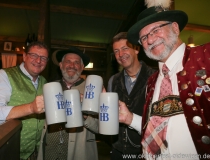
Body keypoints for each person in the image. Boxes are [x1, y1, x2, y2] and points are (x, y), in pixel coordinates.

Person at [119, 0, 210, 159]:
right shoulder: (152, 81)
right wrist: (130, 119)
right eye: (144, 37)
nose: (150, 40)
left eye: (155, 30)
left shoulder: (206, 56)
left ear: (175, 27)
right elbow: (156, 129)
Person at [0, 41, 49, 160]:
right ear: (24, 56)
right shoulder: (5, 75)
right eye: (34, 55)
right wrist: (30, 108)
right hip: (9, 153)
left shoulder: (44, 82)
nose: (38, 61)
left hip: (37, 154)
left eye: (43, 58)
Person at [38, 47, 99, 160]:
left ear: (82, 67)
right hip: (49, 152)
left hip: (79, 153)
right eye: (68, 61)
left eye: (76, 62)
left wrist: (85, 115)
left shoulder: (92, 89)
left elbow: (100, 127)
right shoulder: (48, 88)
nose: (72, 65)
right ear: (61, 65)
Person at [107, 32, 155, 159]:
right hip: (117, 151)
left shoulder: (155, 77)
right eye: (116, 51)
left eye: (124, 48)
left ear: (137, 49)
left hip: (145, 152)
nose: (120, 54)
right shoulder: (113, 80)